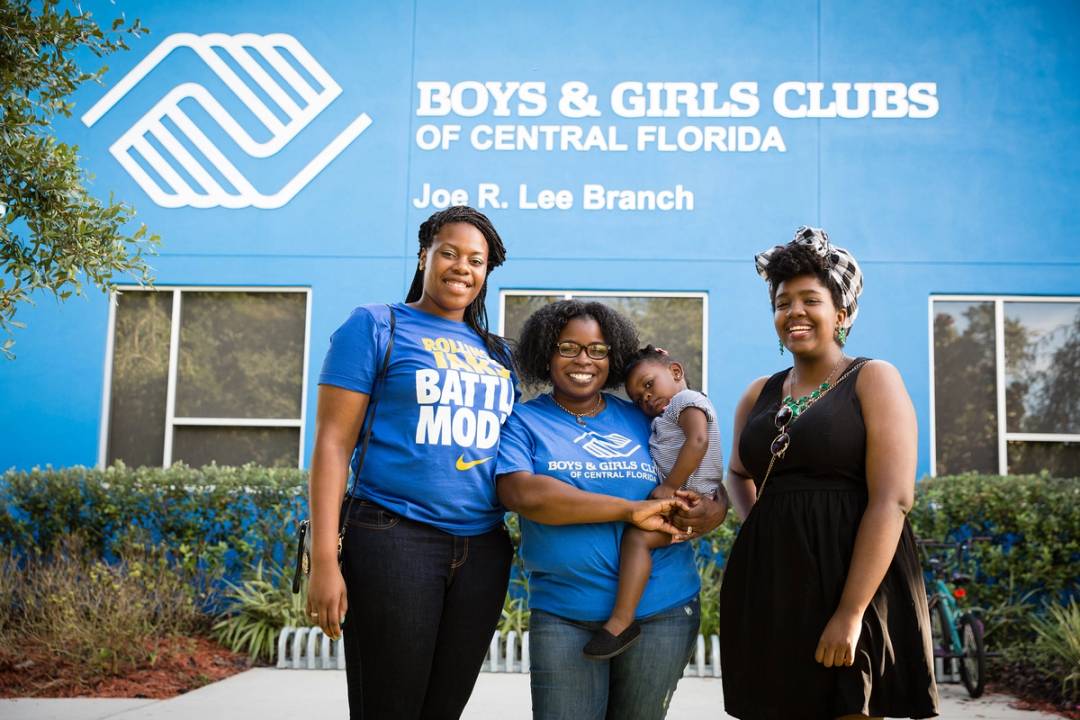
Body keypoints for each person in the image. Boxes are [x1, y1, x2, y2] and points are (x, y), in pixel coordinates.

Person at [306, 206, 519, 719]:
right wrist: (324, 561)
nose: (461, 267)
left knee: (443, 709)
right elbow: (333, 444)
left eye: (476, 259)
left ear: (487, 272)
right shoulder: (378, 324)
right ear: (425, 254)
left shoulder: (500, 353)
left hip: (483, 550)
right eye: (449, 252)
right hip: (392, 536)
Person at [719, 226, 939, 720]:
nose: (793, 311)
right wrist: (759, 526)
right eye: (782, 302)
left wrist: (851, 612)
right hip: (772, 582)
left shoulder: (873, 378)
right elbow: (736, 471)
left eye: (809, 300)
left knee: (850, 707)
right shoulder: (760, 392)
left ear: (840, 314)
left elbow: (893, 500)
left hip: (853, 578)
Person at [496, 300, 729, 720]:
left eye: (598, 350)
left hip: (664, 611)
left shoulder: (646, 416)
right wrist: (628, 510)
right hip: (566, 614)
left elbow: (700, 463)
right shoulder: (525, 422)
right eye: (568, 348)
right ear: (546, 353)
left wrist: (715, 509)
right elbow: (523, 494)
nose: (583, 360)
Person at [584, 345, 728, 659]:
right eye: (639, 398)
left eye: (649, 385)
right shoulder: (664, 416)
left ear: (676, 372)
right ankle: (621, 622)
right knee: (638, 539)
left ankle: (620, 623)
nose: (646, 398)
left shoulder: (687, 401)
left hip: (688, 496)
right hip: (686, 498)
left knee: (636, 539)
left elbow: (699, 440)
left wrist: (669, 486)